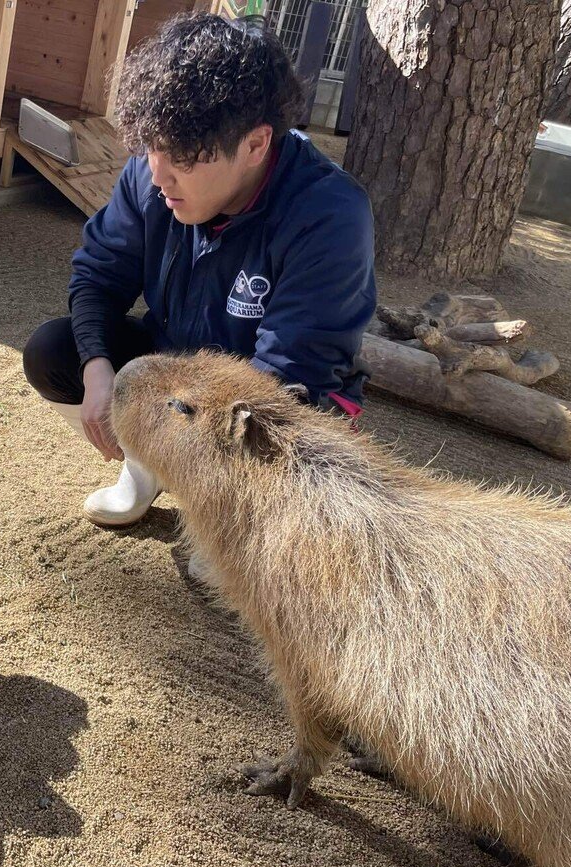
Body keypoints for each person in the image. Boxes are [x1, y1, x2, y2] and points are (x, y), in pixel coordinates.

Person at [23, 13, 376, 532]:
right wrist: (98, 368)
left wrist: (182, 430)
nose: (159, 176)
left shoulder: (330, 213)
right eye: (151, 149)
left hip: (278, 393)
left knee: (280, 433)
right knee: (54, 352)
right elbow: (98, 277)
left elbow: (290, 375)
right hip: (178, 368)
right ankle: (142, 468)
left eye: (183, 159)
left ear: (256, 145)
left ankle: (229, 514)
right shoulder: (152, 170)